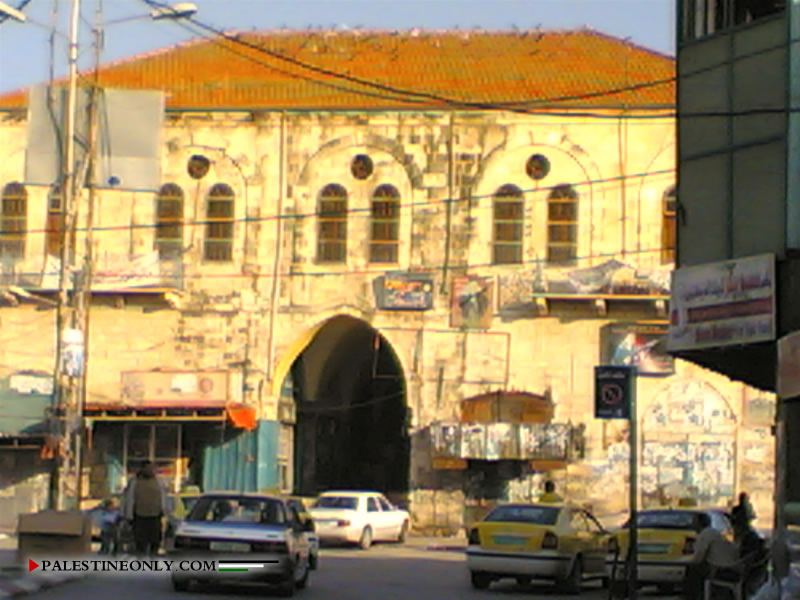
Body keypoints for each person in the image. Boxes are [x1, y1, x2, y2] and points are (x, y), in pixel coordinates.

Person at [682, 512, 739, 599]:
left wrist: (683, 560)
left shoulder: (706, 534)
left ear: (697, 524)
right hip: (732, 567)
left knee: (692, 571)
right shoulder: (714, 533)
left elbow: (698, 558)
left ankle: (693, 596)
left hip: (722, 569)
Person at [121, 461, 169, 557]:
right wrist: (127, 516)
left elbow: (164, 497)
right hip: (140, 517)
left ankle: (152, 560)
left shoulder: (159, 482)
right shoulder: (134, 482)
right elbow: (128, 499)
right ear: (142, 469)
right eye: (148, 468)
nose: (150, 471)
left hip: (155, 516)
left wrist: (165, 512)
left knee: (155, 541)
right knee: (140, 542)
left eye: (152, 468)